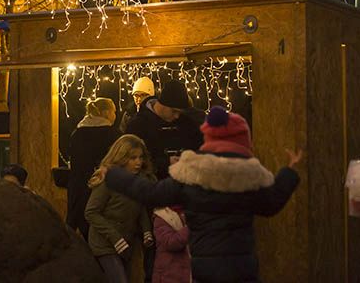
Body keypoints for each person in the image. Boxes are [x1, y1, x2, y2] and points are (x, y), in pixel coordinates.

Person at [105, 107, 302, 283]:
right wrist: (289, 172)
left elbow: (150, 193)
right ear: (243, 141)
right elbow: (272, 203)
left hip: (205, 270)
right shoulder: (249, 178)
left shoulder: (191, 175)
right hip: (242, 270)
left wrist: (114, 174)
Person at [85, 134, 154, 283]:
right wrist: (115, 237)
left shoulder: (138, 181)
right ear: (121, 158)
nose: (138, 162)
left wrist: (146, 230)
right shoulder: (108, 180)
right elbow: (91, 212)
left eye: (140, 157)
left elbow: (139, 207)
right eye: (132, 158)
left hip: (126, 241)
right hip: (104, 244)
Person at [125, 80, 202, 181]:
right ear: (162, 104)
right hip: (150, 184)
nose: (176, 116)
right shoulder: (138, 123)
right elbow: (129, 157)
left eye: (179, 112)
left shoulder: (187, 123)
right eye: (174, 111)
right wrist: (165, 163)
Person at [67, 97, 120, 238]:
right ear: (106, 113)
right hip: (102, 191)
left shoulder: (77, 133)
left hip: (78, 190)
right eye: (114, 112)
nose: (115, 115)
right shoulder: (112, 135)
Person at [151, 205, 190, 283]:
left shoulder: (189, 213)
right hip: (169, 275)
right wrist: (189, 227)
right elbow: (170, 242)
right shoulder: (161, 217)